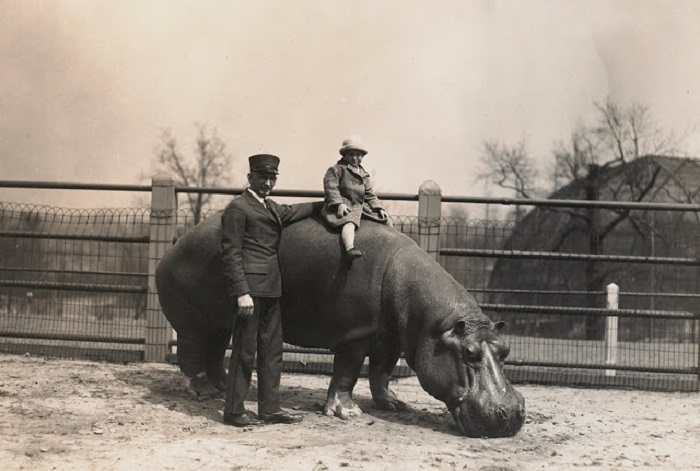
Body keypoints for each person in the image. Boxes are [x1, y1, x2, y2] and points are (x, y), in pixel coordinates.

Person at [220, 153, 321, 427]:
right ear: (250, 177)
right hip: (249, 292)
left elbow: (296, 211)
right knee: (244, 351)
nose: (267, 182)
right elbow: (231, 253)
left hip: (272, 290)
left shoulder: (272, 208)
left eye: (272, 177)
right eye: (262, 176)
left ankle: (270, 408)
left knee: (272, 351)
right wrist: (241, 292)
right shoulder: (238, 208)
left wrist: (328, 202)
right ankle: (234, 412)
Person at [321, 135, 388, 259]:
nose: (355, 158)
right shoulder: (337, 170)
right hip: (343, 205)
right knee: (350, 222)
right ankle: (349, 247)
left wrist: (379, 208)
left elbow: (369, 194)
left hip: (359, 206)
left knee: (385, 219)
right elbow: (331, 187)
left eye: (358, 155)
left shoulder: (364, 174)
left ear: (362, 156)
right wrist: (339, 203)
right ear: (345, 155)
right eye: (351, 154)